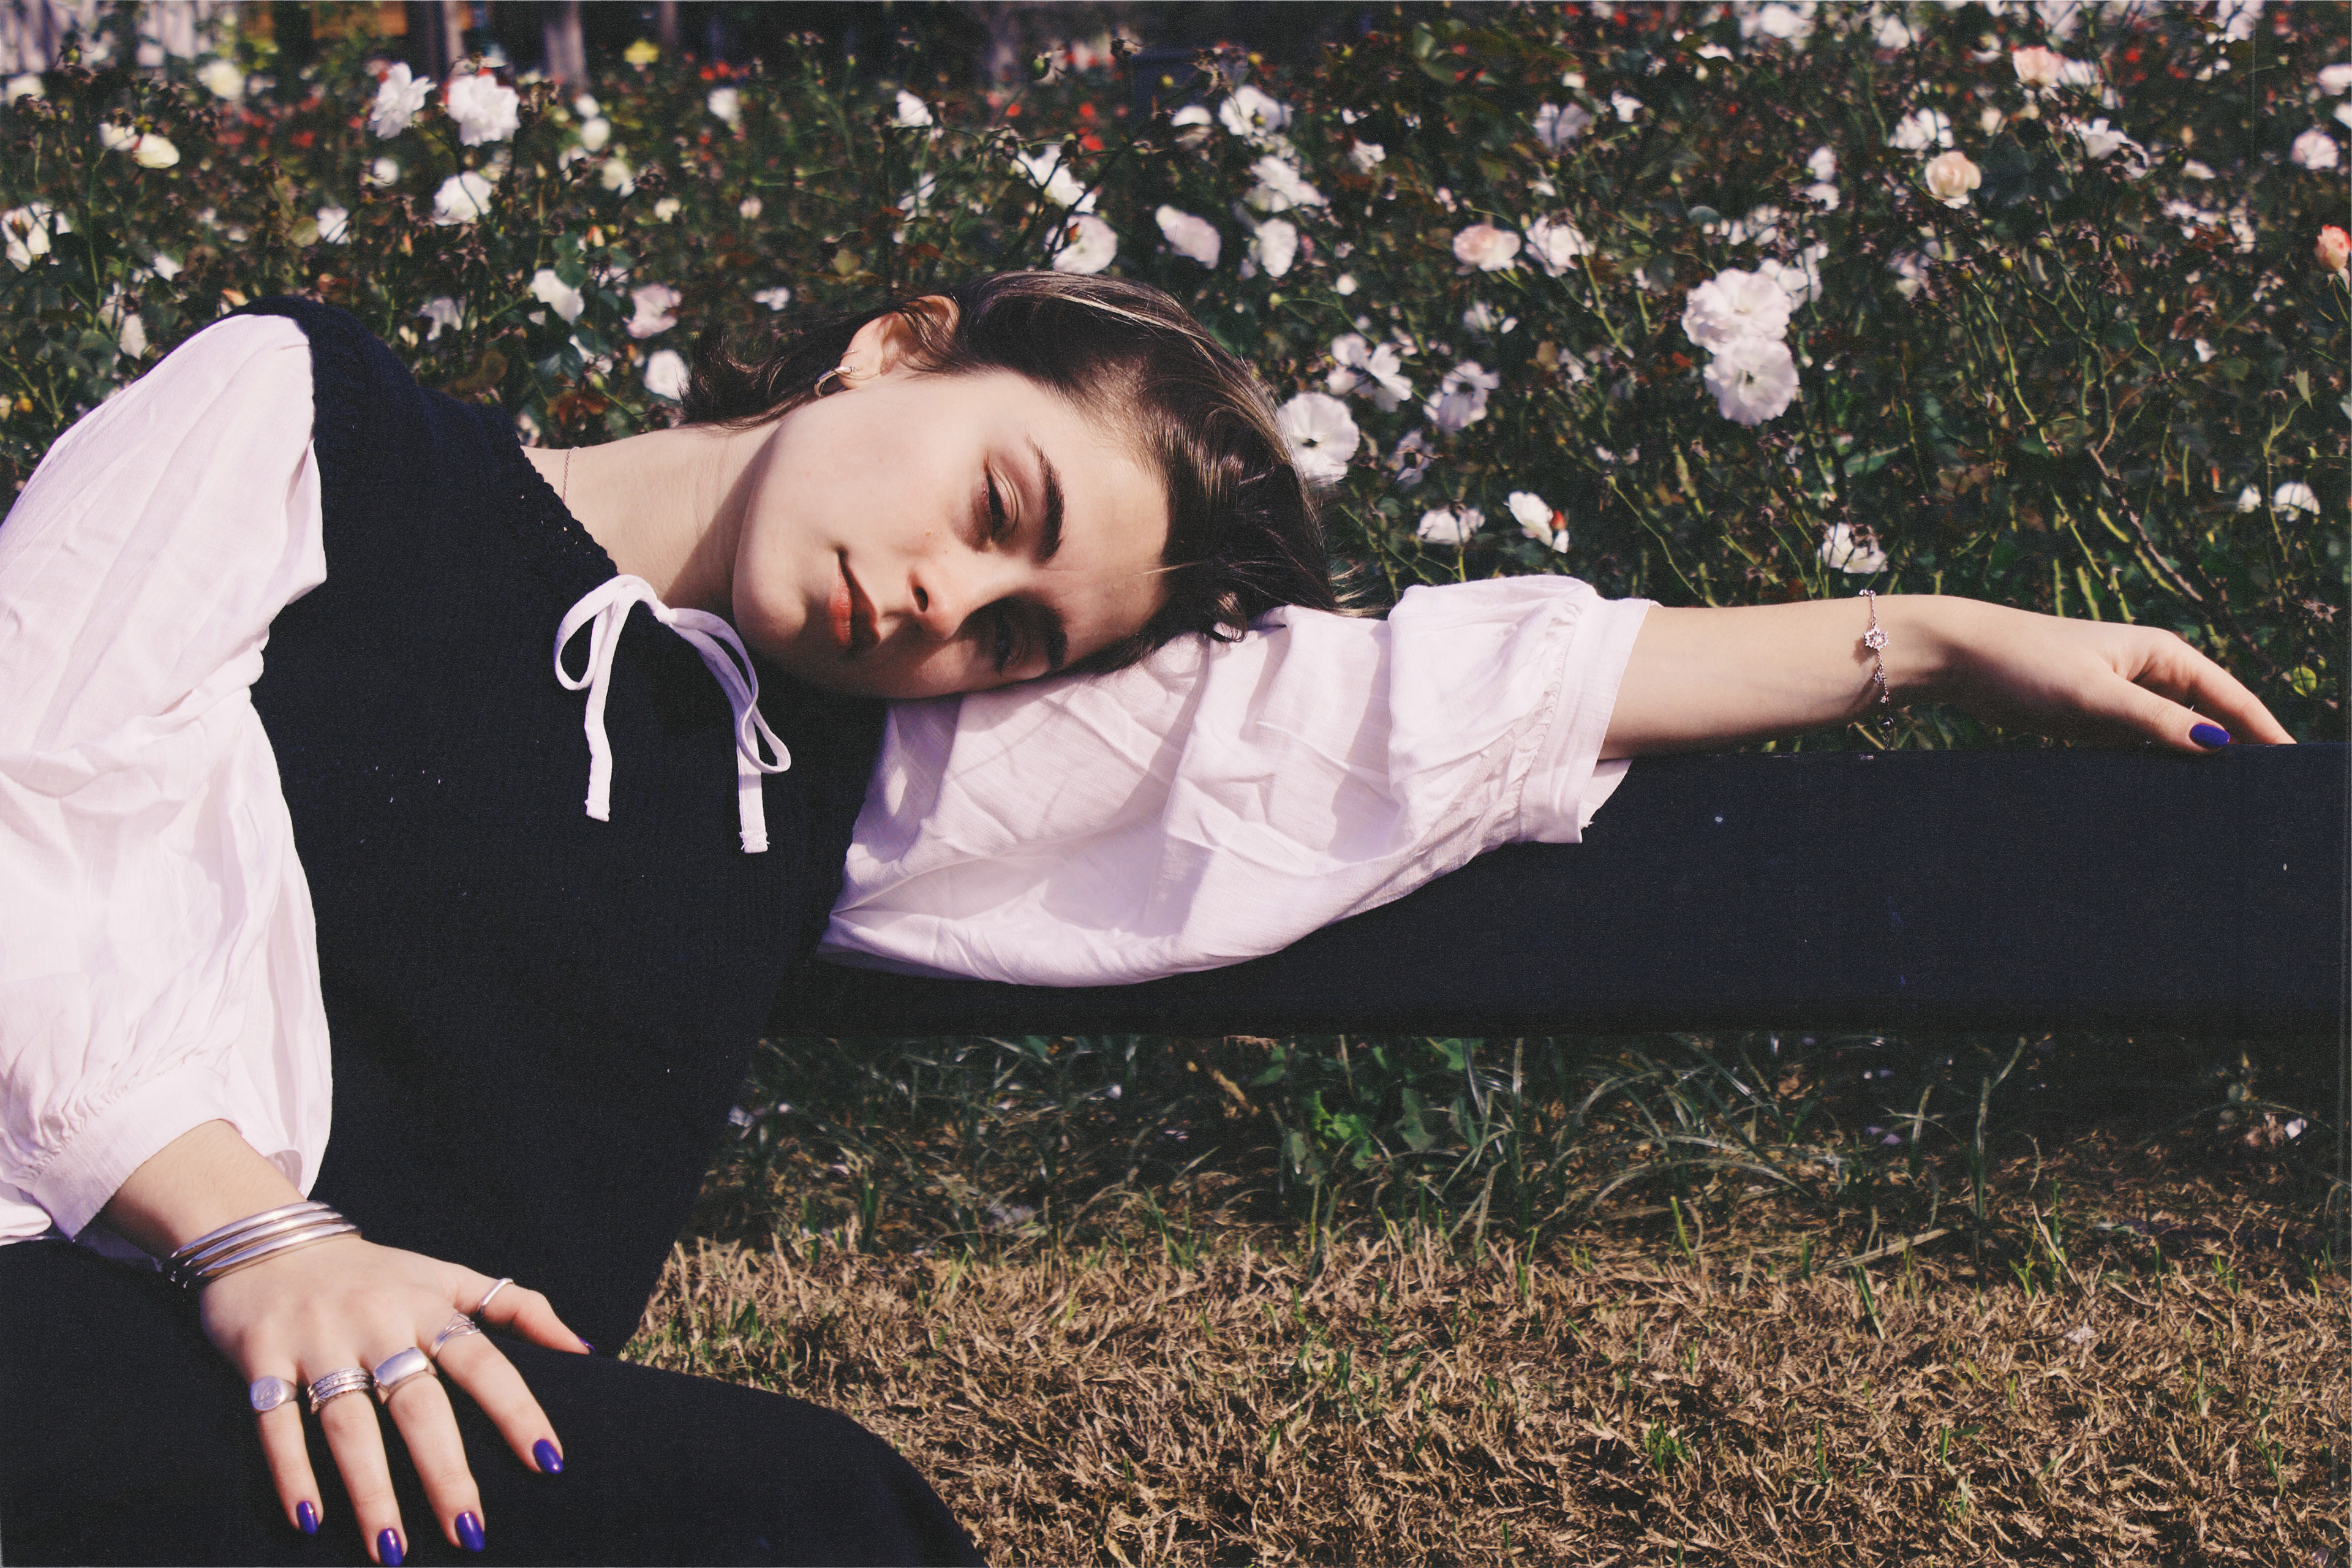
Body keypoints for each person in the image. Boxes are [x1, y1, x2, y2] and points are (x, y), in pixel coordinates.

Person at [0, 272, 2291, 1567]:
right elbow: (25, 779)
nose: (945, 606)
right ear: (898, 347)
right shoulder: (315, 427)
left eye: (1017, 632)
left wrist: (1926, 636)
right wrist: (254, 1238)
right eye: (995, 502)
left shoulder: (834, 775)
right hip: (88, 1304)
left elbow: (1360, 717)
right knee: (821, 1530)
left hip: (418, 1460)